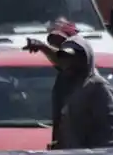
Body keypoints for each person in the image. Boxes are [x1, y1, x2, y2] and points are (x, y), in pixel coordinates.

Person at [52, 34, 113, 150]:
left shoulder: (98, 87)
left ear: (86, 59)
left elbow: (110, 131)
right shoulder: (66, 85)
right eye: (65, 58)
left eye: (74, 58)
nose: (70, 62)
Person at [25, 17, 82, 145]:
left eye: (61, 41)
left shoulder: (87, 79)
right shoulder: (62, 76)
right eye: (53, 42)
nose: (56, 45)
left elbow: (63, 57)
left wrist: (42, 47)